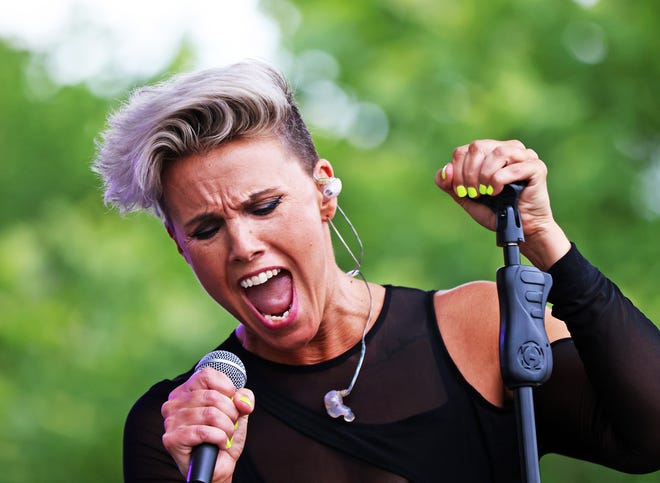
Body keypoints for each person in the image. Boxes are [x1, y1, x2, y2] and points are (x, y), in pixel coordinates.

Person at [93, 60, 660, 483]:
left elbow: (650, 435)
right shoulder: (181, 427)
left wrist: (543, 240)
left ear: (322, 191)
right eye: (206, 229)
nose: (242, 244)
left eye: (264, 206)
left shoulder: (479, 327)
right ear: (178, 243)